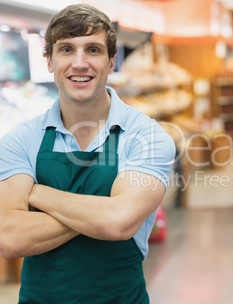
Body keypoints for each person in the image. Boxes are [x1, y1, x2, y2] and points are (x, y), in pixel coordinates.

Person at [0, 4, 175, 303]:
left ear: (110, 62)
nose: (79, 63)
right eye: (67, 50)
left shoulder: (147, 136)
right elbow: (9, 238)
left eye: (93, 50)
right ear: (50, 62)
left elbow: (119, 222)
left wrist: (38, 195)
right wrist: (103, 211)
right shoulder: (20, 139)